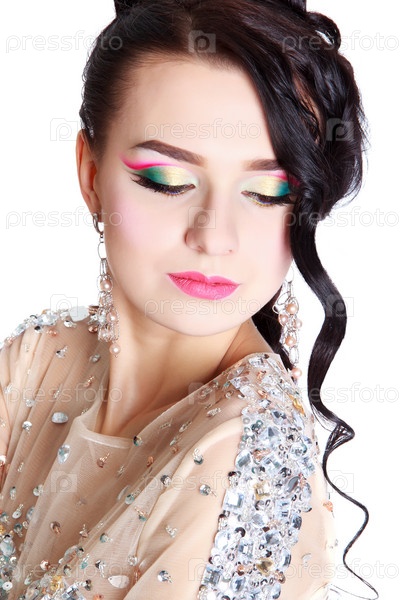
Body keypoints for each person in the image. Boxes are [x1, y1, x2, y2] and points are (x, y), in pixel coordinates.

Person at [0, 0, 377, 598]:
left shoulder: (250, 461)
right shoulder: (37, 361)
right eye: (169, 181)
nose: (215, 236)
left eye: (268, 192)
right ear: (91, 175)